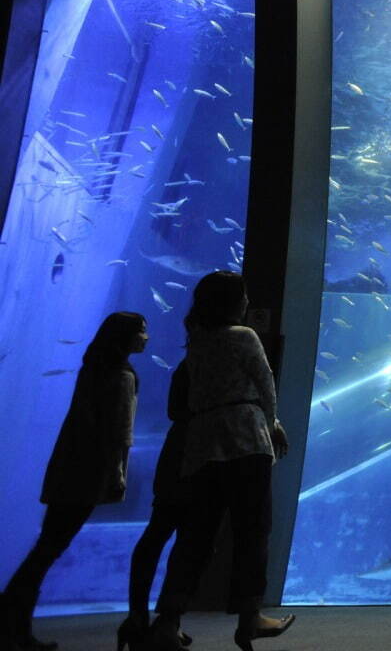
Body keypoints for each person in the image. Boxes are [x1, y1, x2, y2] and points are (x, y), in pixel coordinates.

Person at [147, 272, 293, 651]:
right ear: (235, 301)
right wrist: (273, 424)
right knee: (252, 531)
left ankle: (168, 620)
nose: (247, 302)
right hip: (245, 438)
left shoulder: (198, 340)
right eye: (243, 296)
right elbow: (265, 384)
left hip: (203, 445)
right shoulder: (243, 336)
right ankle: (250, 617)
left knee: (196, 537)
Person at [2, 312, 147, 651]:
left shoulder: (93, 369)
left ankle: (12, 620)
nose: (146, 337)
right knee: (49, 550)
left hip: (68, 465)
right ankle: (11, 622)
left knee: (47, 547)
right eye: (142, 331)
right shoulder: (123, 376)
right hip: (91, 473)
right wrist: (118, 475)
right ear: (125, 336)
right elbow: (120, 433)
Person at [118, 351, 195, 651]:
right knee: (189, 541)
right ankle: (168, 621)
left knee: (156, 533)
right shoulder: (208, 363)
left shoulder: (186, 364)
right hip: (198, 456)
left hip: (175, 454)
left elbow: (174, 410)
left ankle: (137, 617)